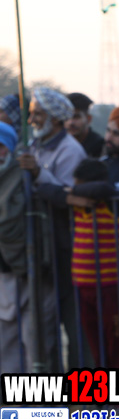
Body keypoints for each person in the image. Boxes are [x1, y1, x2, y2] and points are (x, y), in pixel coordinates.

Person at [19, 88, 86, 369]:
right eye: (31, 113)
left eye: (37, 114)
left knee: (73, 324)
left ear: (55, 118)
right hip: (40, 248)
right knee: (42, 328)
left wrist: (38, 173)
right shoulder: (34, 145)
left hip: (65, 247)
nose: (31, 120)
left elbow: (67, 195)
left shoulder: (70, 150)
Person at [68, 159, 119, 369]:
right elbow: (47, 191)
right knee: (95, 343)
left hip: (110, 284)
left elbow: (102, 189)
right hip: (82, 284)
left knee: (116, 343)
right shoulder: (80, 204)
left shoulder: (115, 201)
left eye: (80, 184)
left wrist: (69, 191)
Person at [0, 121, 53, 372]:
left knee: (35, 344)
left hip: (32, 270)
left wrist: (36, 172)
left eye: (1, 147)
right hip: (4, 275)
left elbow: (53, 190)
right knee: (6, 344)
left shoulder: (23, 173)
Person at [66, 93, 105, 159]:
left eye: (76, 117)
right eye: (67, 117)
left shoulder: (100, 147)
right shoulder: (59, 144)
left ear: (88, 119)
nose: (71, 122)